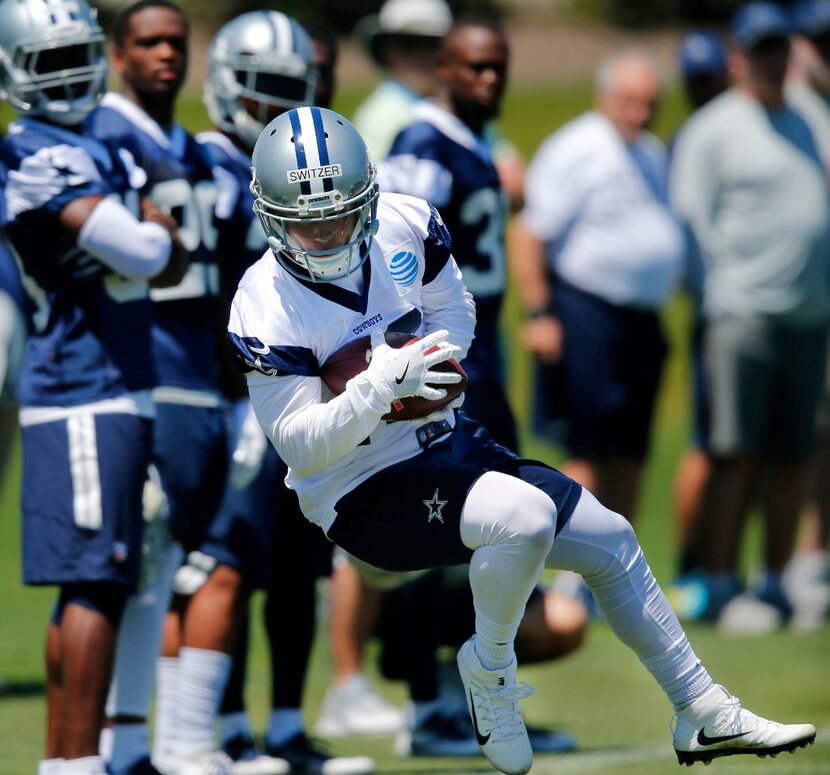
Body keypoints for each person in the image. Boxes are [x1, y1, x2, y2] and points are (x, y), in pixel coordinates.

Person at [230, 103, 816, 775]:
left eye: (340, 214)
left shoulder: (407, 221)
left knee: (611, 538)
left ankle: (703, 709)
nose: (329, 235)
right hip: (358, 491)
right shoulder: (263, 301)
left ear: (370, 195)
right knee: (525, 517)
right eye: (308, 225)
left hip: (443, 441)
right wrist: (377, 389)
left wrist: (434, 360)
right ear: (272, 218)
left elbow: (456, 307)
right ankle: (490, 670)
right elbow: (301, 445)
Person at [373, 17, 583, 756]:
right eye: (474, 68)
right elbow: (392, 256)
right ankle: (431, 704)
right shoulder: (423, 145)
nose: (489, 81)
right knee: (451, 534)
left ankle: (480, 708)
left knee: (491, 537)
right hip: (449, 373)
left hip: (485, 365)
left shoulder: (471, 145)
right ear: (442, 67)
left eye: (499, 67)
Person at [176, 12, 375, 775]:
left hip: (306, 391)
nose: (272, 109)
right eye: (261, 91)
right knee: (235, 558)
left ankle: (287, 728)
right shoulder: (206, 165)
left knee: (299, 563)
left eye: (289, 91)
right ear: (226, 86)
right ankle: (225, 729)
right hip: (237, 391)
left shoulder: (299, 164)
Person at [0, 0, 186, 771]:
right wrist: (147, 234)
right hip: (80, 386)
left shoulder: (90, 144)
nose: (71, 75)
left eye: (79, 54)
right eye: (50, 61)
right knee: (94, 581)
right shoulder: (34, 150)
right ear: (17, 71)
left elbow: (162, 255)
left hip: (117, 380)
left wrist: (150, 238)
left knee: (108, 577)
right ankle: (75, 764)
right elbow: (147, 251)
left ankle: (91, 756)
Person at [85, 2, 230, 773]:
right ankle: (112, 741)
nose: (166, 54)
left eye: (176, 41)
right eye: (149, 43)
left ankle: (142, 742)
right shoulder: (105, 136)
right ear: (117, 54)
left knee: (170, 561)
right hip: (138, 377)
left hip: (198, 377)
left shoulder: (190, 148)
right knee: (131, 563)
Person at [671, 1, 830, 634]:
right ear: (737, 58)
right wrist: (717, 299)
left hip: (808, 315)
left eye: (779, 50)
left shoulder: (810, 115)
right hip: (740, 313)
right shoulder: (714, 128)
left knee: (794, 455)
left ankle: (776, 580)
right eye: (759, 50)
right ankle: (721, 580)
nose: (771, 61)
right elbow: (694, 223)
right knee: (734, 452)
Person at [511, 49, 684, 526]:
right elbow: (530, 232)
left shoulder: (649, 152)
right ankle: (571, 572)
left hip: (640, 321)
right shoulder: (578, 148)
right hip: (586, 311)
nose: (641, 113)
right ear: (604, 97)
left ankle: (617, 565)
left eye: (650, 103)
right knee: (588, 445)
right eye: (630, 101)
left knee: (631, 449)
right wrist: (538, 313)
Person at [666, 30, 729, 621]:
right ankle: (692, 566)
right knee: (709, 445)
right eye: (696, 80)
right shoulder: (693, 140)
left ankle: (721, 566)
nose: (704, 89)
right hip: (722, 309)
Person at [782, 0, 830, 629]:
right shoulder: (795, 109)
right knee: (798, 440)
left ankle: (814, 558)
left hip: (818, 300)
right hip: (785, 305)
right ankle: (793, 565)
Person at [352, 0, 452, 162]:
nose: (421, 55)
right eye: (409, 43)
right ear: (387, 48)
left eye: (432, 44)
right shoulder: (379, 117)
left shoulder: (457, 104)